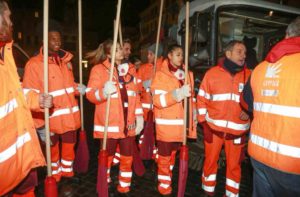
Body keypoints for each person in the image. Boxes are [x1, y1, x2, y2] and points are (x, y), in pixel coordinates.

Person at [241, 17, 300, 197]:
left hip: (260, 157)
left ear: (286, 35)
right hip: (293, 164)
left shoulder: (260, 68)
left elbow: (246, 103)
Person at [0, 1, 52, 196]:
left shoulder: (6, 52)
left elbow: (15, 92)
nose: (12, 23)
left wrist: (37, 100)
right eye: (8, 17)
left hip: (20, 155)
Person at [22, 20, 85, 182]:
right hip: (51, 117)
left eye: (59, 38)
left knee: (70, 144)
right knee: (53, 148)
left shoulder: (65, 61)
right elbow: (29, 94)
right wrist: (39, 124)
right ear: (44, 40)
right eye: (53, 38)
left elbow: (68, 86)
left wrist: (80, 88)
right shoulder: (34, 65)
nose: (58, 42)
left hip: (70, 116)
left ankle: (67, 171)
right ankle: (55, 173)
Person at [85, 39, 144, 194]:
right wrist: (103, 92)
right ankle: (105, 181)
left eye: (120, 48)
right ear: (108, 52)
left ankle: (125, 184)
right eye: (117, 49)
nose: (121, 51)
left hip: (128, 122)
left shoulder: (130, 69)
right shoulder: (98, 70)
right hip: (109, 125)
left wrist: (139, 117)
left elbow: (135, 95)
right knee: (107, 157)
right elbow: (90, 95)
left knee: (127, 156)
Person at [197, 40, 251, 197]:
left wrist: (250, 111)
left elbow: (258, 100)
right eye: (239, 51)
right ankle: (208, 191)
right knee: (210, 162)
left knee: (234, 166)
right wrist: (203, 124)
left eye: (245, 52)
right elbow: (201, 99)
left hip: (238, 132)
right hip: (213, 130)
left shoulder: (250, 76)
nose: (244, 55)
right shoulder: (212, 74)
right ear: (228, 54)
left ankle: (231, 194)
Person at [150, 44, 197, 195]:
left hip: (181, 126)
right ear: (169, 55)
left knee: (172, 157)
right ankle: (164, 185)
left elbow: (191, 100)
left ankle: (166, 177)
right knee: (164, 158)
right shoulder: (160, 75)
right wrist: (176, 95)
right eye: (177, 54)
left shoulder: (188, 74)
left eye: (182, 54)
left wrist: (194, 114)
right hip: (166, 125)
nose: (181, 57)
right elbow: (157, 101)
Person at [137, 43, 164, 161]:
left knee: (158, 137)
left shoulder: (164, 68)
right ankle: (144, 155)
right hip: (145, 112)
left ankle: (155, 158)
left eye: (151, 54)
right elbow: (136, 87)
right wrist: (143, 85)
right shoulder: (143, 69)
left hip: (159, 111)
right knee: (143, 136)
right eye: (147, 53)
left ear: (157, 54)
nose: (148, 56)